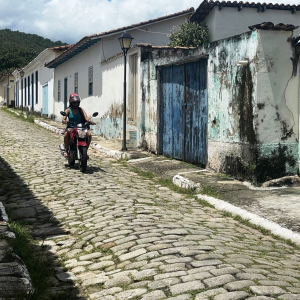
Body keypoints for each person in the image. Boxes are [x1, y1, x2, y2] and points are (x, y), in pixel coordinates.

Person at [62, 93, 96, 157]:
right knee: (66, 134)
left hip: (80, 128)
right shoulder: (68, 110)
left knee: (89, 134)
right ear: (71, 102)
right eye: (74, 103)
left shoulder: (80, 110)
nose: (75, 104)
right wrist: (65, 121)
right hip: (71, 127)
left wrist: (90, 121)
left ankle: (85, 150)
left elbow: (86, 117)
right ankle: (66, 151)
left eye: (77, 103)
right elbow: (63, 119)